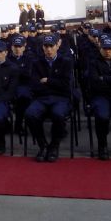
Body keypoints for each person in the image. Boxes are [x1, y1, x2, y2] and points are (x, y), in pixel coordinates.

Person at [25, 34, 74, 162]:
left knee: (58, 114)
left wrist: (48, 81)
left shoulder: (66, 62)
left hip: (60, 98)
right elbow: (34, 85)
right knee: (30, 114)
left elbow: (66, 85)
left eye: (51, 46)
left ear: (57, 46)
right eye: (46, 46)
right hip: (41, 98)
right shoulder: (36, 63)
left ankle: (54, 146)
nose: (48, 49)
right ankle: (43, 145)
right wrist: (54, 84)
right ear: (42, 47)